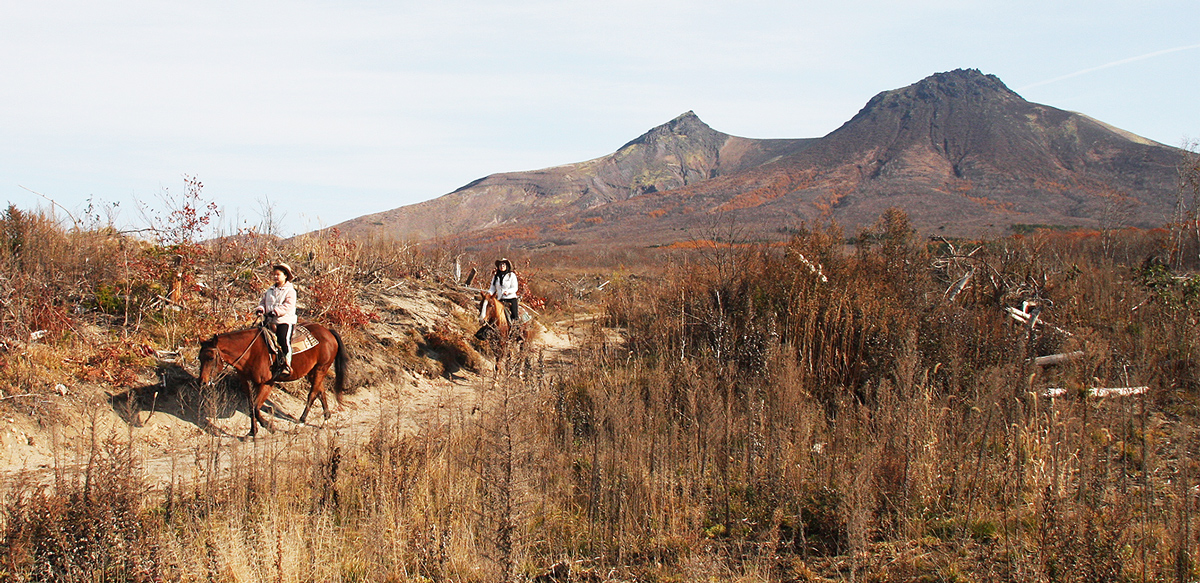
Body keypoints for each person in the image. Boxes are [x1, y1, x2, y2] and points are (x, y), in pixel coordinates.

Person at [255, 263, 297, 381]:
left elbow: (288, 305)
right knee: (255, 335)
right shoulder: (270, 290)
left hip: (284, 320)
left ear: (285, 276)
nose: (275, 277)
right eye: (274, 275)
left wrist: (276, 311)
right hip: (269, 319)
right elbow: (263, 302)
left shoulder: (290, 291)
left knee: (283, 339)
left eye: (278, 275)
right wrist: (260, 309)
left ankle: (287, 365)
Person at [489, 258, 520, 322]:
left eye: (503, 265)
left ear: (506, 266)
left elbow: (515, 288)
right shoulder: (496, 277)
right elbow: (493, 287)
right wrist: (490, 293)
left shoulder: (511, 275)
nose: (502, 267)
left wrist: (508, 292)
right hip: (500, 299)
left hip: (511, 298)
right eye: (500, 265)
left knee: (515, 315)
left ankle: (516, 326)